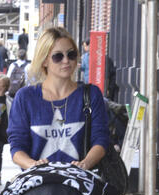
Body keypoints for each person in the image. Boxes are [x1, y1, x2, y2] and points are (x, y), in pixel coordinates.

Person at [7, 27, 109, 171]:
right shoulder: (25, 97)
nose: (66, 60)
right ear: (44, 61)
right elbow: (17, 145)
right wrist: (33, 165)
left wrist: (85, 164)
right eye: (58, 56)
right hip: (39, 186)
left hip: (80, 187)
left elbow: (101, 139)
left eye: (71, 54)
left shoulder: (91, 94)